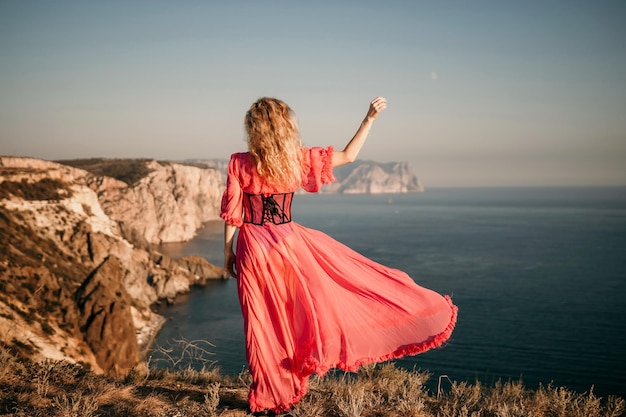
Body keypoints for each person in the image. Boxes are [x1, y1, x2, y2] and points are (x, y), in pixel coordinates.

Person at [220, 97, 457, 414]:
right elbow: (349, 155)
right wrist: (368, 119)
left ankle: (269, 395)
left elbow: (233, 215)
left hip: (254, 249)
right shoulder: (296, 160)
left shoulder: (238, 162)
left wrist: (228, 252)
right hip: (289, 247)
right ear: (284, 127)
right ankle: (286, 387)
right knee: (298, 316)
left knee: (261, 324)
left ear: (254, 130)